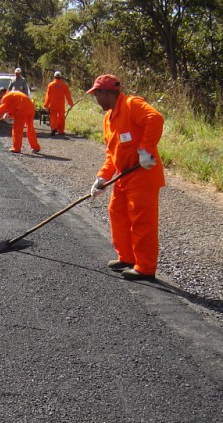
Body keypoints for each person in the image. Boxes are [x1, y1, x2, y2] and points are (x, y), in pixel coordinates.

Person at [87, 74, 165, 281]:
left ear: (104, 93)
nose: (95, 99)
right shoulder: (109, 118)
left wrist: (146, 150)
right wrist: (102, 178)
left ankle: (145, 268)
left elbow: (155, 118)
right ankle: (127, 257)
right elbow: (112, 153)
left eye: (96, 95)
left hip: (142, 176)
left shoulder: (132, 104)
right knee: (116, 213)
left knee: (142, 222)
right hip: (123, 177)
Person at [0, 88, 41, 154]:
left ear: (3, 93)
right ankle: (35, 147)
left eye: (1, 96)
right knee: (30, 128)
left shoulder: (6, 96)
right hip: (31, 108)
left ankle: (16, 148)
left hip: (22, 110)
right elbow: (15, 105)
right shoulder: (13, 94)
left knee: (17, 129)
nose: (1, 98)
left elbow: (0, 110)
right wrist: (9, 114)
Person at [43, 71, 74, 136]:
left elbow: (48, 96)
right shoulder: (64, 85)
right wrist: (70, 104)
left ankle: (53, 128)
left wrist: (46, 105)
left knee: (53, 117)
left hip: (53, 104)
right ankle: (60, 130)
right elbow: (68, 95)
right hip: (61, 105)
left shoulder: (51, 85)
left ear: (54, 77)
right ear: (60, 77)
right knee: (61, 117)